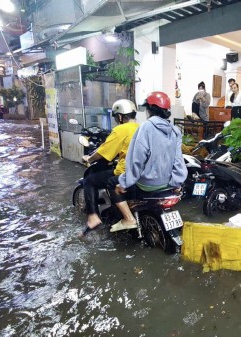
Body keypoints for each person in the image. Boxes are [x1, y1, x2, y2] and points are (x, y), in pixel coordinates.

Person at [107, 91, 187, 232]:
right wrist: (178, 182)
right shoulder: (175, 131)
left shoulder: (146, 127)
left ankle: (128, 219)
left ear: (149, 110)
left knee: (112, 183)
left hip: (148, 185)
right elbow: (178, 160)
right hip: (169, 183)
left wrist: (124, 182)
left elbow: (136, 161)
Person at [80, 99, 139, 237]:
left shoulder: (120, 129)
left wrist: (89, 158)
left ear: (120, 116)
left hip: (125, 171)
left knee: (89, 180)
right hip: (140, 171)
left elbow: (104, 152)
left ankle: (93, 217)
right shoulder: (140, 127)